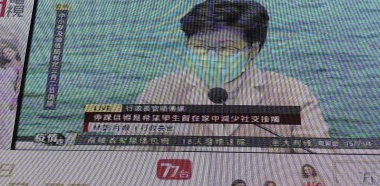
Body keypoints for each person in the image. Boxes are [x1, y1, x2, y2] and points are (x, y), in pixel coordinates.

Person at [136, 0, 329, 140]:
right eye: (199, 46)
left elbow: (316, 160)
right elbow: (128, 157)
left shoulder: (292, 93)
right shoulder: (160, 90)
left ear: (252, 50)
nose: (209, 58)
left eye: (225, 48)